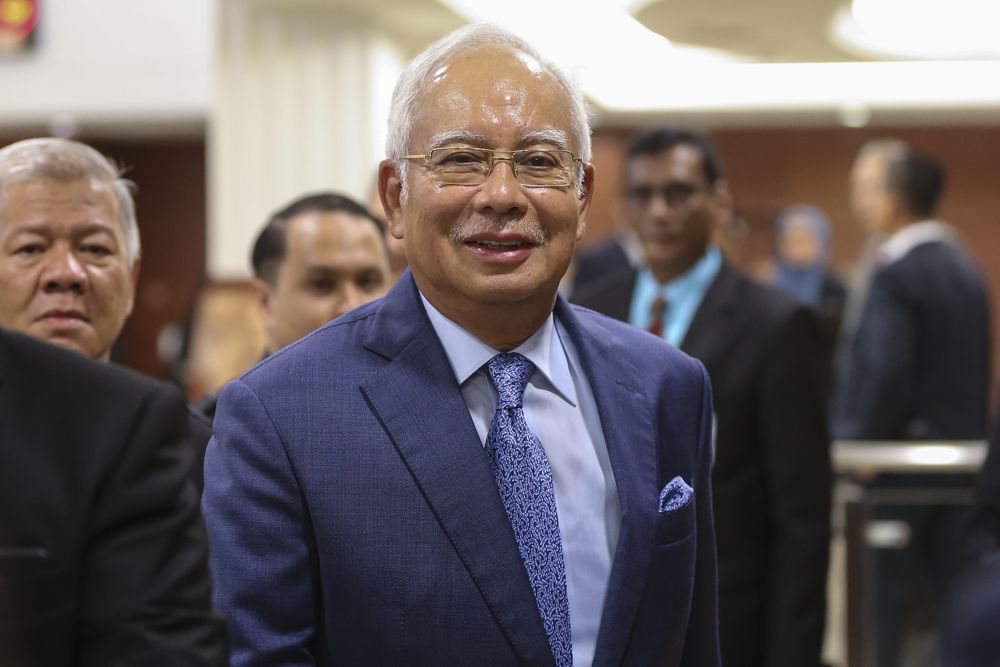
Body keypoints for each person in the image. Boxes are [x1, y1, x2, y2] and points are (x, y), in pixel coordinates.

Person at [204, 25, 720, 666]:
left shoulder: (667, 385)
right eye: (460, 161)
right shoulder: (280, 415)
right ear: (396, 199)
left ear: (582, 198)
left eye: (538, 162)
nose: (503, 196)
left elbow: (692, 640)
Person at [574, 127, 831, 667]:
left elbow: (802, 521)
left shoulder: (777, 323)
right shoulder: (589, 309)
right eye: (642, 196)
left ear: (719, 200)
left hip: (726, 618)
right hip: (608, 615)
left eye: (679, 193)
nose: (660, 213)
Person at [833, 146, 991, 666]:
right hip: (961, 470)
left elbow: (884, 370)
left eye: (864, 190)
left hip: (895, 471)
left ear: (892, 199)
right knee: (949, 605)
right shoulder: (966, 268)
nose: (857, 203)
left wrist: (858, 445)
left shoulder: (897, 273)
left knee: (884, 615)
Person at [0, 327, 226, 666]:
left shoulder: (158, 431)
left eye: (100, 266)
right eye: (27, 267)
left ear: (132, 285)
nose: (67, 274)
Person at [0, 137, 213, 489]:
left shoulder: (192, 448)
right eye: (31, 248)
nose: (66, 273)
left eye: (94, 248)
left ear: (131, 279)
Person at [195, 192, 392, 420]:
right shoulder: (217, 433)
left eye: (367, 282)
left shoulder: (421, 409)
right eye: (322, 285)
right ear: (265, 301)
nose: (352, 305)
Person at [772, 203, 846, 372]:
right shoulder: (770, 288)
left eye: (805, 240)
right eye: (790, 241)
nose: (797, 248)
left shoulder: (836, 290)